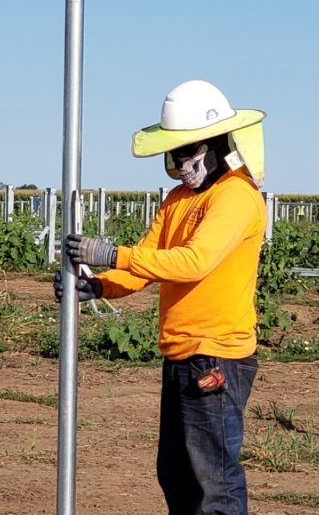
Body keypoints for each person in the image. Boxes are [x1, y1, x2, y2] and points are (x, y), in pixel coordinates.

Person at [54, 79, 267, 515]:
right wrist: (98, 285)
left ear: (216, 144)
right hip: (181, 355)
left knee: (214, 483)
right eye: (176, 154)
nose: (181, 164)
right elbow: (149, 261)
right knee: (177, 475)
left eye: (189, 152)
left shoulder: (237, 197)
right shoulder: (177, 200)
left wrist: (112, 253)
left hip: (217, 358)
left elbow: (194, 262)